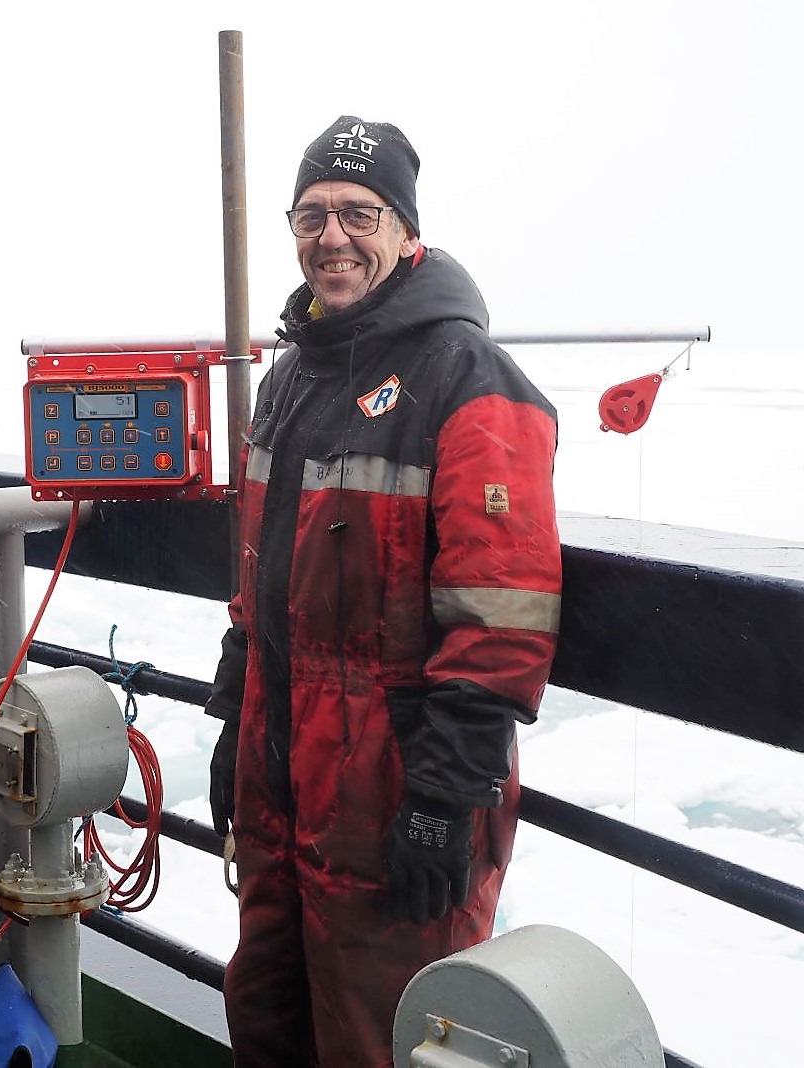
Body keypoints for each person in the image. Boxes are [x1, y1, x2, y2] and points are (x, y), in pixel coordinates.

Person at [206, 116, 562, 1067]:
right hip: (281, 782)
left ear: (406, 231)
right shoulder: (292, 375)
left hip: (393, 793)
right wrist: (233, 717)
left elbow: (502, 619)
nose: (333, 237)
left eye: (359, 214)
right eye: (312, 215)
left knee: (384, 1039)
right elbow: (259, 582)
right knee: (267, 1015)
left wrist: (445, 799)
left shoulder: (470, 380)